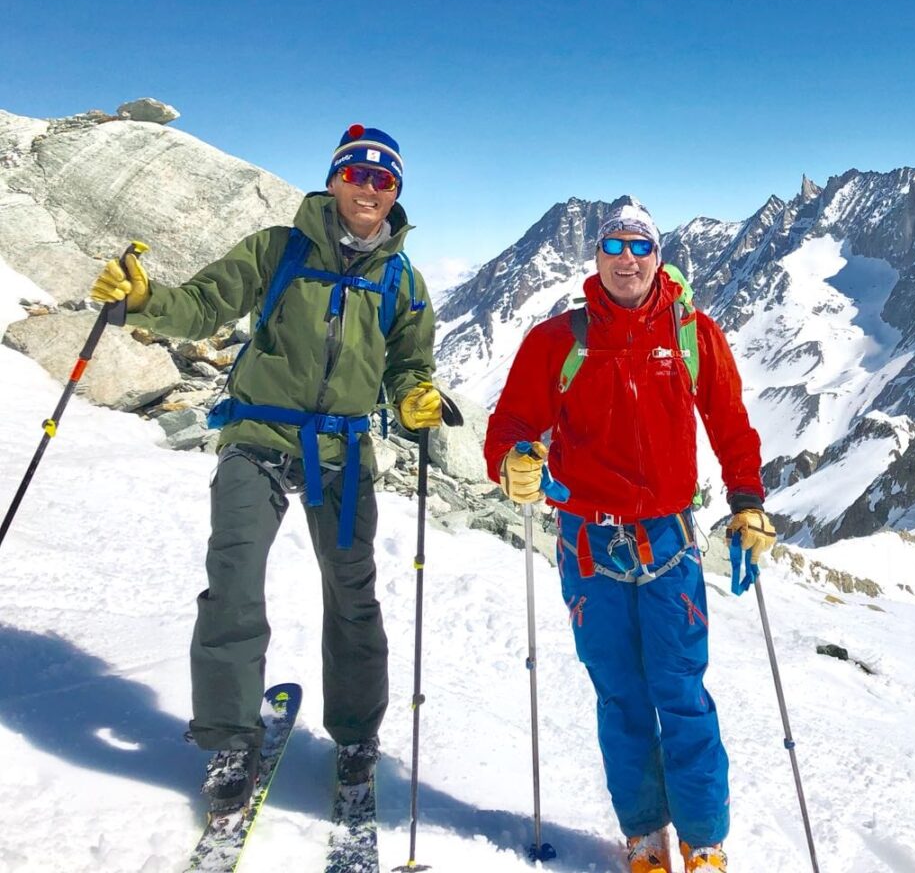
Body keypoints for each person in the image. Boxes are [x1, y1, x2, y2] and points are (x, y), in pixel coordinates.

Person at [89, 124, 439, 813]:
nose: (369, 188)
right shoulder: (277, 250)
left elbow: (409, 365)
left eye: (383, 179)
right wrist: (141, 299)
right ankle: (230, 737)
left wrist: (416, 399)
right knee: (234, 580)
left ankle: (356, 736)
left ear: (395, 193)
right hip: (257, 435)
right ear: (335, 179)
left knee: (354, 595)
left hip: (341, 450)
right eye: (357, 174)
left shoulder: (402, 279)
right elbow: (201, 304)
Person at [484, 203, 776, 873]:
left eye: (639, 246)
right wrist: (515, 463)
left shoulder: (693, 334)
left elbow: (731, 424)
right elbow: (509, 429)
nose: (626, 258)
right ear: (595, 257)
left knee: (680, 693)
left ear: (659, 255)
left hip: (669, 541)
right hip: (589, 547)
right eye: (613, 245)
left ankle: (703, 843)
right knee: (620, 696)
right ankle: (645, 838)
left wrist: (747, 501)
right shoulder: (558, 340)